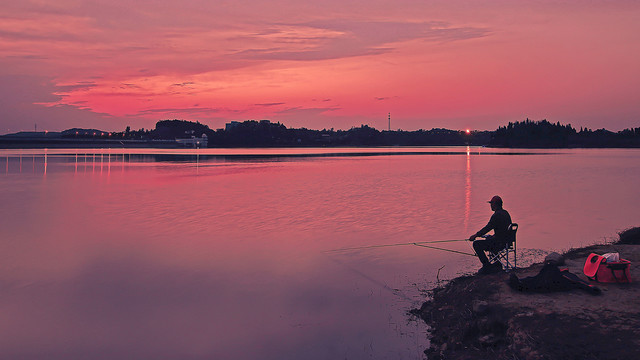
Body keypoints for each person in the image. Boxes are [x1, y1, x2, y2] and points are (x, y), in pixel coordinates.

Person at [468, 195, 512, 274]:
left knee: (476, 244)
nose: (490, 205)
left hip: (499, 243)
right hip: (506, 242)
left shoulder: (496, 215)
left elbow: (487, 228)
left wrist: (475, 235)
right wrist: (494, 236)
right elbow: (503, 230)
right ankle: (497, 264)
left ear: (495, 204)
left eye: (491, 203)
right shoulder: (506, 213)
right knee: (489, 239)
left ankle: (487, 266)